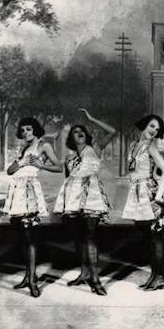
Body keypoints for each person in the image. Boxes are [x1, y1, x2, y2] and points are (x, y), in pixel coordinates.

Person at [53, 109, 114, 296]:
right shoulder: (70, 157)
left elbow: (112, 132)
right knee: (79, 238)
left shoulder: (94, 148)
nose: (78, 133)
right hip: (72, 197)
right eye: (74, 132)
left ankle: (95, 279)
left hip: (91, 196)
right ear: (71, 137)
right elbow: (67, 180)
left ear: (86, 135)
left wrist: (92, 118)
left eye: (82, 131)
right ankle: (84, 273)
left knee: (89, 236)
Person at [5, 118, 63, 298]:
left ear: (35, 130)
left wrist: (40, 165)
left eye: (29, 129)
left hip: (29, 190)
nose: (26, 133)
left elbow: (59, 167)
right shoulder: (23, 147)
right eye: (23, 130)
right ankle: (28, 276)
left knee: (30, 236)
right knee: (22, 236)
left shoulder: (43, 145)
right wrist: (21, 162)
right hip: (17, 190)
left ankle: (32, 281)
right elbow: (10, 171)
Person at [122, 114, 164, 290]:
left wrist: (158, 195)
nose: (154, 131)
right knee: (150, 238)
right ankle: (155, 275)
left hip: (149, 192)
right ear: (144, 125)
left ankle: (159, 277)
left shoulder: (151, 148)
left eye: (157, 129)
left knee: (156, 237)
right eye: (152, 126)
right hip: (137, 192)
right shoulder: (134, 146)